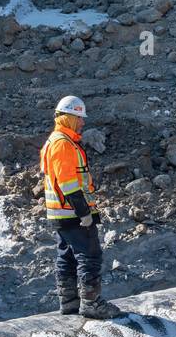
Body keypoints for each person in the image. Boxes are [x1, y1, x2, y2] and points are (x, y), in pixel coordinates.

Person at [40, 95, 121, 319]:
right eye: (79, 117)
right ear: (68, 117)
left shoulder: (54, 141)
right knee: (89, 255)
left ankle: (69, 302)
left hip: (60, 213)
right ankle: (91, 303)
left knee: (66, 255)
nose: (83, 122)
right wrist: (84, 212)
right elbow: (67, 182)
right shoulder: (63, 144)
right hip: (73, 212)